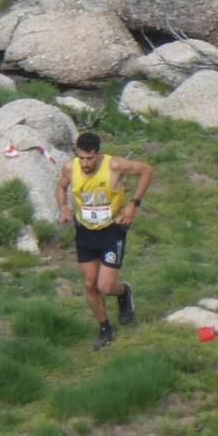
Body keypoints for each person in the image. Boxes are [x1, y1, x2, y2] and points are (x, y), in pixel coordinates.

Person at [55, 132, 154, 350]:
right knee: (90, 283)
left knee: (106, 286)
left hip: (112, 230)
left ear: (97, 154)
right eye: (81, 158)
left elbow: (147, 170)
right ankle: (104, 329)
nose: (85, 164)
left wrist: (133, 204)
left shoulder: (115, 165)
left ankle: (124, 291)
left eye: (89, 158)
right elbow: (61, 186)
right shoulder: (70, 168)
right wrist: (63, 207)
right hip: (85, 232)